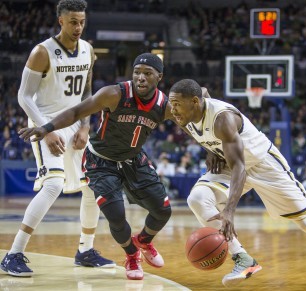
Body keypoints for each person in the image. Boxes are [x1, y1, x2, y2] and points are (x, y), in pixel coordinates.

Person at [167, 79, 306, 288]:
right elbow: (204, 92)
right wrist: (211, 150)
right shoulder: (184, 109)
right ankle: (242, 257)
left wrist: (229, 210)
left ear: (194, 102)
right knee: (197, 199)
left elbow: (241, 168)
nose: (173, 110)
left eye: (177, 105)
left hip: (262, 163)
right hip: (230, 163)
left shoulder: (223, 119)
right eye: (171, 104)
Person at [18, 53, 180, 281]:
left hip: (134, 160)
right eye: (137, 72)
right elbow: (76, 112)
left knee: (163, 211)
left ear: (159, 77)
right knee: (116, 216)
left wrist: (214, 148)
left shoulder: (165, 106)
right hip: (101, 161)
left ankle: (142, 241)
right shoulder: (114, 94)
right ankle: (132, 255)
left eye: (147, 73)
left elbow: (194, 117)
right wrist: (47, 127)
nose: (140, 78)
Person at [0, 0, 116, 277]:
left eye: (82, 22)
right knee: (53, 186)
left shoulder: (88, 50)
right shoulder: (42, 52)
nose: (78, 27)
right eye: (73, 21)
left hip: (75, 125)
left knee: (93, 186)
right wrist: (47, 129)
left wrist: (86, 126)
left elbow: (88, 95)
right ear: (61, 21)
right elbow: (23, 97)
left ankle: (85, 250)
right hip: (45, 123)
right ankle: (13, 253)